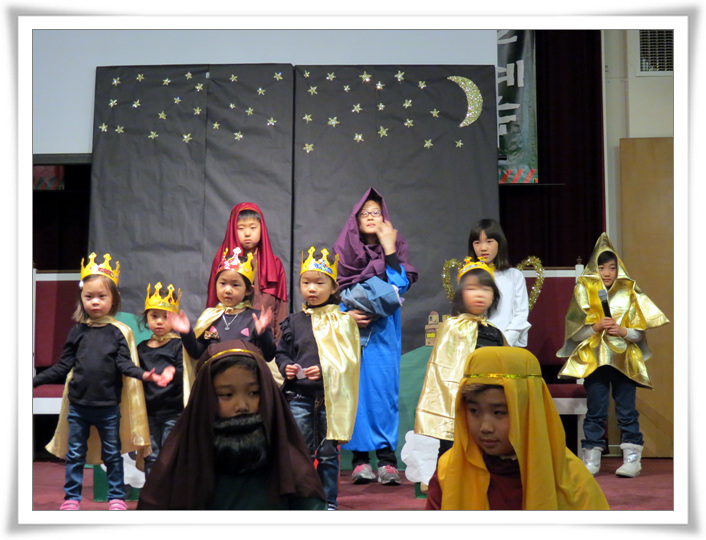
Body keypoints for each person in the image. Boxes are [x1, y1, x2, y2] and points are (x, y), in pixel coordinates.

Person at [32, 253, 166, 510]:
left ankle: (116, 496)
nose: (95, 302)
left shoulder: (118, 332)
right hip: (78, 407)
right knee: (75, 455)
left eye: (101, 296)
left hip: (108, 408)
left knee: (112, 454)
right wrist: (36, 381)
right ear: (81, 299)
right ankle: (72, 497)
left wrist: (144, 374)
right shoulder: (77, 332)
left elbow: (125, 365)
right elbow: (63, 366)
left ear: (113, 298)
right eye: (89, 297)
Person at [137, 340, 327, 510]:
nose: (242, 406)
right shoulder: (180, 461)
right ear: (206, 397)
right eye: (226, 395)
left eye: (253, 393)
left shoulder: (289, 460)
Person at [425, 346, 610, 510]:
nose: (485, 427)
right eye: (474, 411)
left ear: (530, 411)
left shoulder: (572, 480)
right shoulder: (449, 471)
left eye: (499, 413)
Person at [556, 233, 669, 477]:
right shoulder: (583, 291)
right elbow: (575, 333)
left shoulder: (629, 292)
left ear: (619, 269)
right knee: (596, 410)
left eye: (612, 267)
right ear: (593, 269)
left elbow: (638, 333)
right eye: (601, 267)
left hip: (624, 361)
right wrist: (595, 327)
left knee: (627, 411)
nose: (606, 272)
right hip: (595, 361)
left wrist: (623, 331)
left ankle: (632, 459)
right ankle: (591, 458)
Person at [333, 186, 418, 486]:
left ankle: (387, 461)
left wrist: (388, 247)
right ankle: (359, 461)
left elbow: (399, 286)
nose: (371, 217)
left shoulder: (394, 247)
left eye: (377, 212)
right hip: (352, 333)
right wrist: (346, 317)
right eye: (365, 213)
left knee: (383, 393)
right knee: (356, 394)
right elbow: (331, 295)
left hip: (383, 334)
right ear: (355, 220)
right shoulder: (343, 252)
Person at [275, 247, 361, 510]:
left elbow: (350, 363)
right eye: (306, 282)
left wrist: (325, 370)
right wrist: (286, 367)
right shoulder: (293, 322)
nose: (311, 288)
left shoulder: (343, 322)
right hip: (298, 397)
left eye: (319, 283)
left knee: (327, 454)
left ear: (334, 287)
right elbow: (282, 353)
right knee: (298, 452)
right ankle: (301, 500)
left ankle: (328, 502)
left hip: (328, 401)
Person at [415, 257, 506, 460]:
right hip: (459, 403)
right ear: (460, 294)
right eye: (472, 288)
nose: (480, 294)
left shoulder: (495, 333)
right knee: (451, 452)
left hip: (487, 407)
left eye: (486, 289)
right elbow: (444, 371)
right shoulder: (452, 328)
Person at [168, 247, 276, 402]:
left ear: (248, 290)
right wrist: (186, 333)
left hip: (246, 387)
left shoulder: (255, 318)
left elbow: (269, 355)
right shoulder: (209, 317)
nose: (228, 290)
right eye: (223, 283)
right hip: (215, 387)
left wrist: (263, 333)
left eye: (235, 285)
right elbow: (197, 354)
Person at [207, 202, 288, 341]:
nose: (247, 233)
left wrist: (278, 344)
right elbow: (213, 301)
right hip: (227, 339)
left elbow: (281, 308)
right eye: (240, 228)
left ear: (262, 229)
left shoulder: (274, 263)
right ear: (233, 230)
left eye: (253, 227)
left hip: (264, 341)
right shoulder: (224, 260)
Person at [136, 282, 184, 477]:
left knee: (170, 455)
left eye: (166, 317)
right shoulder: (141, 348)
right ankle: (152, 491)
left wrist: (173, 372)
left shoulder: (177, 345)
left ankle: (171, 492)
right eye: (154, 316)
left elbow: (185, 372)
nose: (159, 321)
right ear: (146, 318)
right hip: (149, 412)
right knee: (152, 455)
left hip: (173, 412)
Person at [467, 218, 530, 347]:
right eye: (477, 243)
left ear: (499, 243)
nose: (483, 248)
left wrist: (505, 342)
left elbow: (521, 314)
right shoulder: (469, 276)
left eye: (489, 242)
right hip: (475, 344)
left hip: (507, 344)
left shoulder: (514, 276)